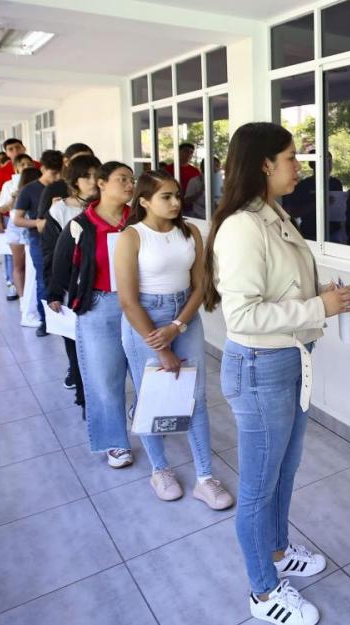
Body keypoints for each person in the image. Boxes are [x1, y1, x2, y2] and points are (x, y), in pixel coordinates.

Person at [204, 122, 350, 625]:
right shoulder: (242, 227)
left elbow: (282, 287)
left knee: (282, 474)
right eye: (292, 158)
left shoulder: (272, 214)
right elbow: (243, 316)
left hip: (288, 361)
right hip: (260, 367)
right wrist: (318, 305)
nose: (300, 166)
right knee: (256, 487)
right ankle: (262, 590)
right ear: (265, 164)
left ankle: (276, 551)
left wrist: (320, 296)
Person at [115, 170, 234, 509]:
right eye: (165, 196)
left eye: (177, 195)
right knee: (153, 396)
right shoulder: (131, 237)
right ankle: (160, 470)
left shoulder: (190, 231)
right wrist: (162, 346)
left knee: (194, 396)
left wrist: (178, 325)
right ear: (144, 201)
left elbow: (200, 286)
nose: (175, 202)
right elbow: (127, 300)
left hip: (184, 315)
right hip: (145, 319)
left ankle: (205, 477)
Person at [47, 161, 136, 469]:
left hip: (140, 305)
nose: (129, 185)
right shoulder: (81, 224)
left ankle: (144, 412)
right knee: (105, 379)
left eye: (131, 179)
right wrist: (55, 294)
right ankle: (114, 442)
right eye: (121, 179)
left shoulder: (137, 219)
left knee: (146, 371)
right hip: (99, 306)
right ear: (101, 184)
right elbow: (60, 262)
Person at [42, 154, 102, 411]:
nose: (93, 181)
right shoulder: (60, 210)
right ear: (74, 181)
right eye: (86, 176)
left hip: (103, 288)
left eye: (96, 175)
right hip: (72, 289)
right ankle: (83, 396)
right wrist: (55, 291)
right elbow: (51, 255)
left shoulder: (107, 206)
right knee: (76, 346)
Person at [13, 149, 63, 336]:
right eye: (52, 173)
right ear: (42, 169)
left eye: (59, 173)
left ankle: (64, 318)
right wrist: (37, 223)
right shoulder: (29, 189)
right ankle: (46, 321)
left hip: (62, 239)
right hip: (39, 241)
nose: (56, 177)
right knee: (44, 280)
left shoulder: (64, 187)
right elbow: (17, 219)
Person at [0, 154, 36, 301]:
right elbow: (2, 208)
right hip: (16, 225)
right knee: (18, 263)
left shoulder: (38, 183)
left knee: (33, 264)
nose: (26, 167)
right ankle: (22, 299)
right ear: (16, 168)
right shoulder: (8, 185)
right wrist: (14, 196)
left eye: (29, 164)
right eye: (23, 165)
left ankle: (32, 299)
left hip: (33, 224)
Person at [284, 149, 342, 241]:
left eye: (330, 161)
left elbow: (340, 209)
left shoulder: (336, 183)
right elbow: (294, 213)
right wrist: (317, 203)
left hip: (334, 233)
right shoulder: (304, 185)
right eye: (325, 161)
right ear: (313, 164)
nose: (328, 165)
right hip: (311, 235)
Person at [162, 142, 203, 213]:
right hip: (172, 205)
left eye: (191, 152)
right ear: (178, 152)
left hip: (192, 207)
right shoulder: (168, 169)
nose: (189, 154)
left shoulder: (195, 171)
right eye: (186, 151)